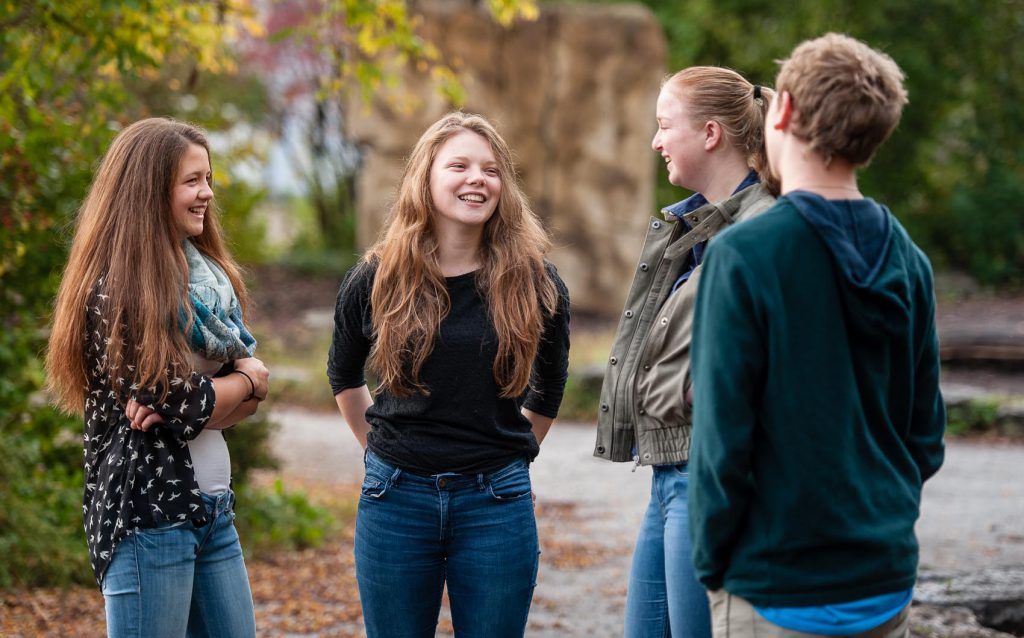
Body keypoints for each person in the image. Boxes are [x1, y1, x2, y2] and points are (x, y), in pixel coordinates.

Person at [687, 33, 946, 638]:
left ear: (781, 112)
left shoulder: (744, 255)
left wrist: (714, 561)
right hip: (882, 581)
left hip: (775, 587)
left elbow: (722, 440)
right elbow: (925, 437)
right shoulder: (910, 260)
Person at [327, 111, 570, 638]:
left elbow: (551, 385)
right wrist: (379, 452)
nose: (476, 179)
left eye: (490, 169)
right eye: (458, 165)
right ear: (426, 177)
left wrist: (512, 453)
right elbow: (343, 374)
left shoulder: (536, 282)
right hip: (395, 501)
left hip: (496, 504)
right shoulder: (376, 277)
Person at [46, 117, 269, 638]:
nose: (206, 193)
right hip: (149, 518)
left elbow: (203, 406)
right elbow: (189, 403)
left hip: (214, 512)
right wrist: (250, 379)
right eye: (192, 181)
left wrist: (232, 390)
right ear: (150, 189)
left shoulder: (206, 283)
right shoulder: (116, 290)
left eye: (207, 179)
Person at [593, 66, 777, 638]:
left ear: (711, 133)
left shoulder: (766, 227)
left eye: (664, 125)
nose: (656, 140)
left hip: (713, 474)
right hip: (669, 474)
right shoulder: (689, 229)